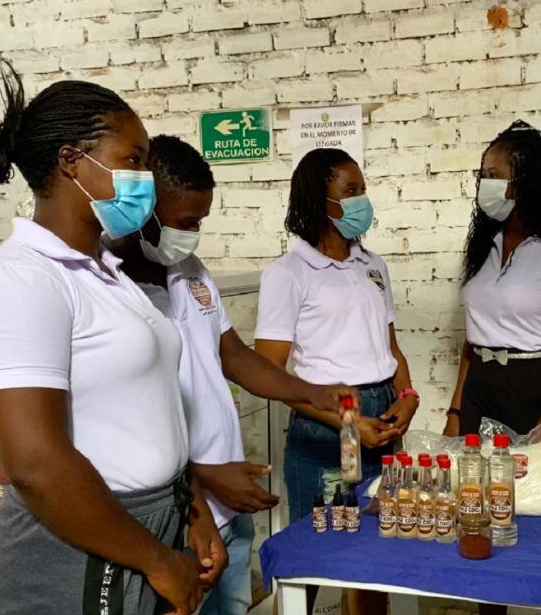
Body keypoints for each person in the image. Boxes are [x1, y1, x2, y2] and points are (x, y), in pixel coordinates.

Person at [0, 61, 218, 614]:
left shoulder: (106, 272)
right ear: (72, 162)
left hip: (149, 527)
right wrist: (155, 559)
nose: (145, 180)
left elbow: (156, 406)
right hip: (81, 549)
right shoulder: (22, 281)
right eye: (133, 161)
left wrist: (191, 509)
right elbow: (34, 464)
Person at [109, 135, 359, 615]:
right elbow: (116, 427)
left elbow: (235, 357)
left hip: (228, 505)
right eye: (186, 222)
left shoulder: (191, 270)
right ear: (146, 210)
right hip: (172, 516)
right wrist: (201, 480)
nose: (195, 233)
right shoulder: (113, 289)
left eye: (201, 221)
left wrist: (315, 392)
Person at [255, 148, 417, 615]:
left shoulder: (373, 266)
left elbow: (392, 347)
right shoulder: (289, 274)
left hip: (381, 415)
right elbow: (270, 374)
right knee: (318, 549)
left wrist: (406, 395)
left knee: (376, 545)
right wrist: (350, 424)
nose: (362, 200)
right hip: (334, 420)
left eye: (363, 189)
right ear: (319, 200)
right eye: (351, 192)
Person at [443, 120, 541, 483]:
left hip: (538, 391)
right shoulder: (484, 247)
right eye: (482, 176)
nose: (484, 185)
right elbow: (473, 340)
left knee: (536, 503)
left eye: (494, 175)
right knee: (473, 497)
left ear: (527, 181)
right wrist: (455, 411)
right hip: (480, 389)